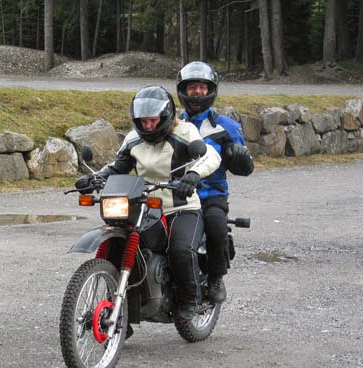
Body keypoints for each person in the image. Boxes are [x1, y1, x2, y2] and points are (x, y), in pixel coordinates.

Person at [75, 85, 221, 323]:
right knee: (121, 248)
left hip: (180, 207)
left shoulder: (185, 132)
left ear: (165, 117)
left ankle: (190, 300)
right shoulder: (133, 139)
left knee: (180, 250)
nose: (148, 126)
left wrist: (193, 175)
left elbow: (210, 156)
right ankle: (122, 315)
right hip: (144, 206)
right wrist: (94, 178)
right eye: (143, 121)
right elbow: (117, 166)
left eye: (153, 120)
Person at [176, 61, 254, 304]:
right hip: (178, 194)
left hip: (212, 195)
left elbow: (246, 166)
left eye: (202, 87)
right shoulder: (174, 124)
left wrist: (240, 158)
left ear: (211, 90)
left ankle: (215, 276)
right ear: (183, 91)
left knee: (216, 227)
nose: (197, 92)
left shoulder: (226, 126)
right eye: (192, 88)